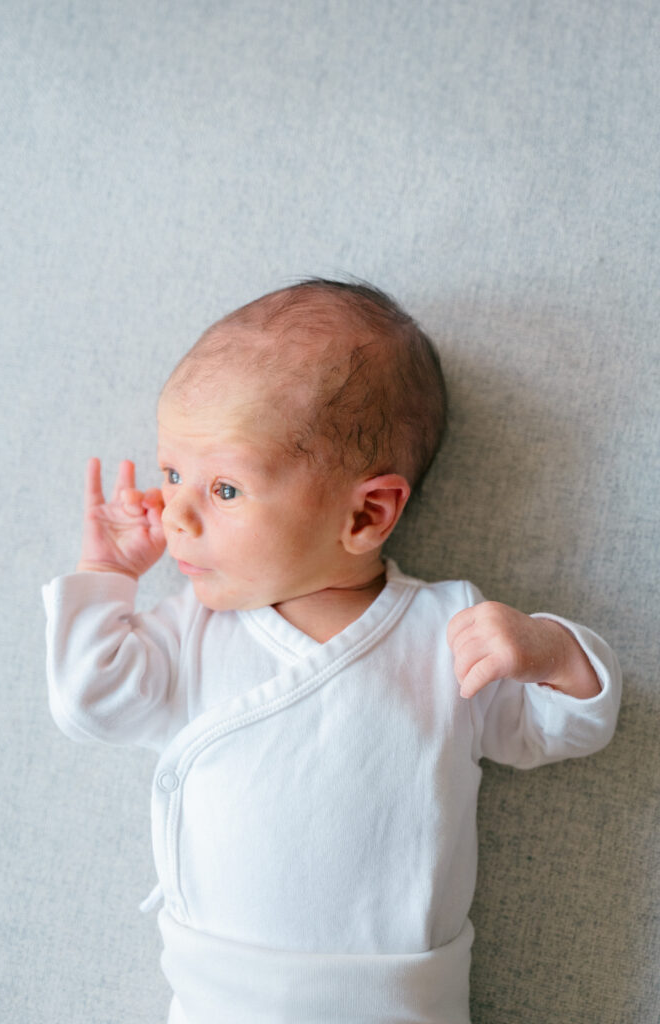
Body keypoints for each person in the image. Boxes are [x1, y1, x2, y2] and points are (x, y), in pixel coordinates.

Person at [43, 278, 621, 1024]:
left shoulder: (451, 631)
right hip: (223, 994)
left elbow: (567, 728)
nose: (176, 514)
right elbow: (89, 703)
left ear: (367, 512)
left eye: (223, 489)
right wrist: (107, 578)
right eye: (171, 473)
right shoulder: (191, 628)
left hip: (397, 1001)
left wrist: (548, 651)